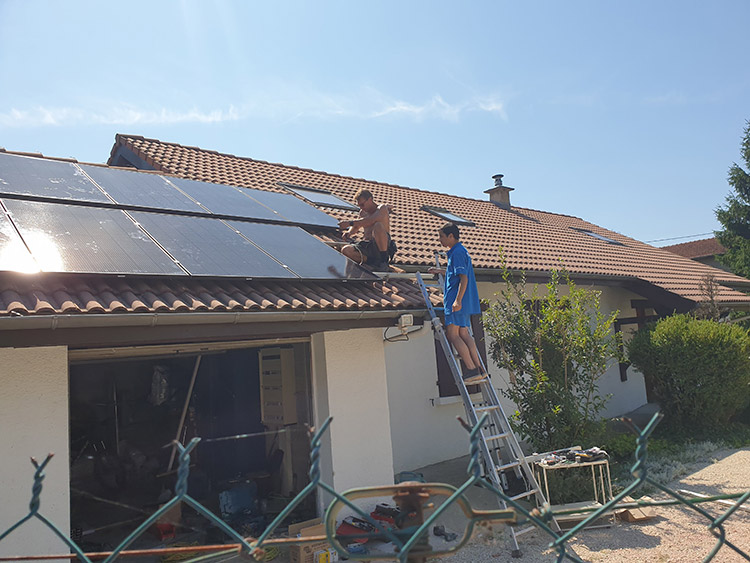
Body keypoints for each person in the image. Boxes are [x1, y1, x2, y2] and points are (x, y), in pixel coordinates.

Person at [429, 223, 487, 385]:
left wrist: (457, 300)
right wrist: (441, 271)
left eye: (441, 236)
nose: (439, 239)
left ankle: (470, 370)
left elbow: (464, 278)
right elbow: (456, 273)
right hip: (462, 302)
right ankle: (479, 368)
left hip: (457, 301)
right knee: (464, 334)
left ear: (451, 236)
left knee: (452, 335)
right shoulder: (459, 252)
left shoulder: (457, 253)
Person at [339, 189, 395, 270]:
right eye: (359, 206)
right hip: (367, 246)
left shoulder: (381, 209)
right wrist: (349, 233)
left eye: (362, 204)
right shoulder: (362, 213)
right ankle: (373, 261)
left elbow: (370, 220)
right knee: (346, 250)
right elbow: (356, 227)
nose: (362, 207)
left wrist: (349, 223)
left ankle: (384, 260)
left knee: (378, 225)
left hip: (381, 247)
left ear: (370, 199)